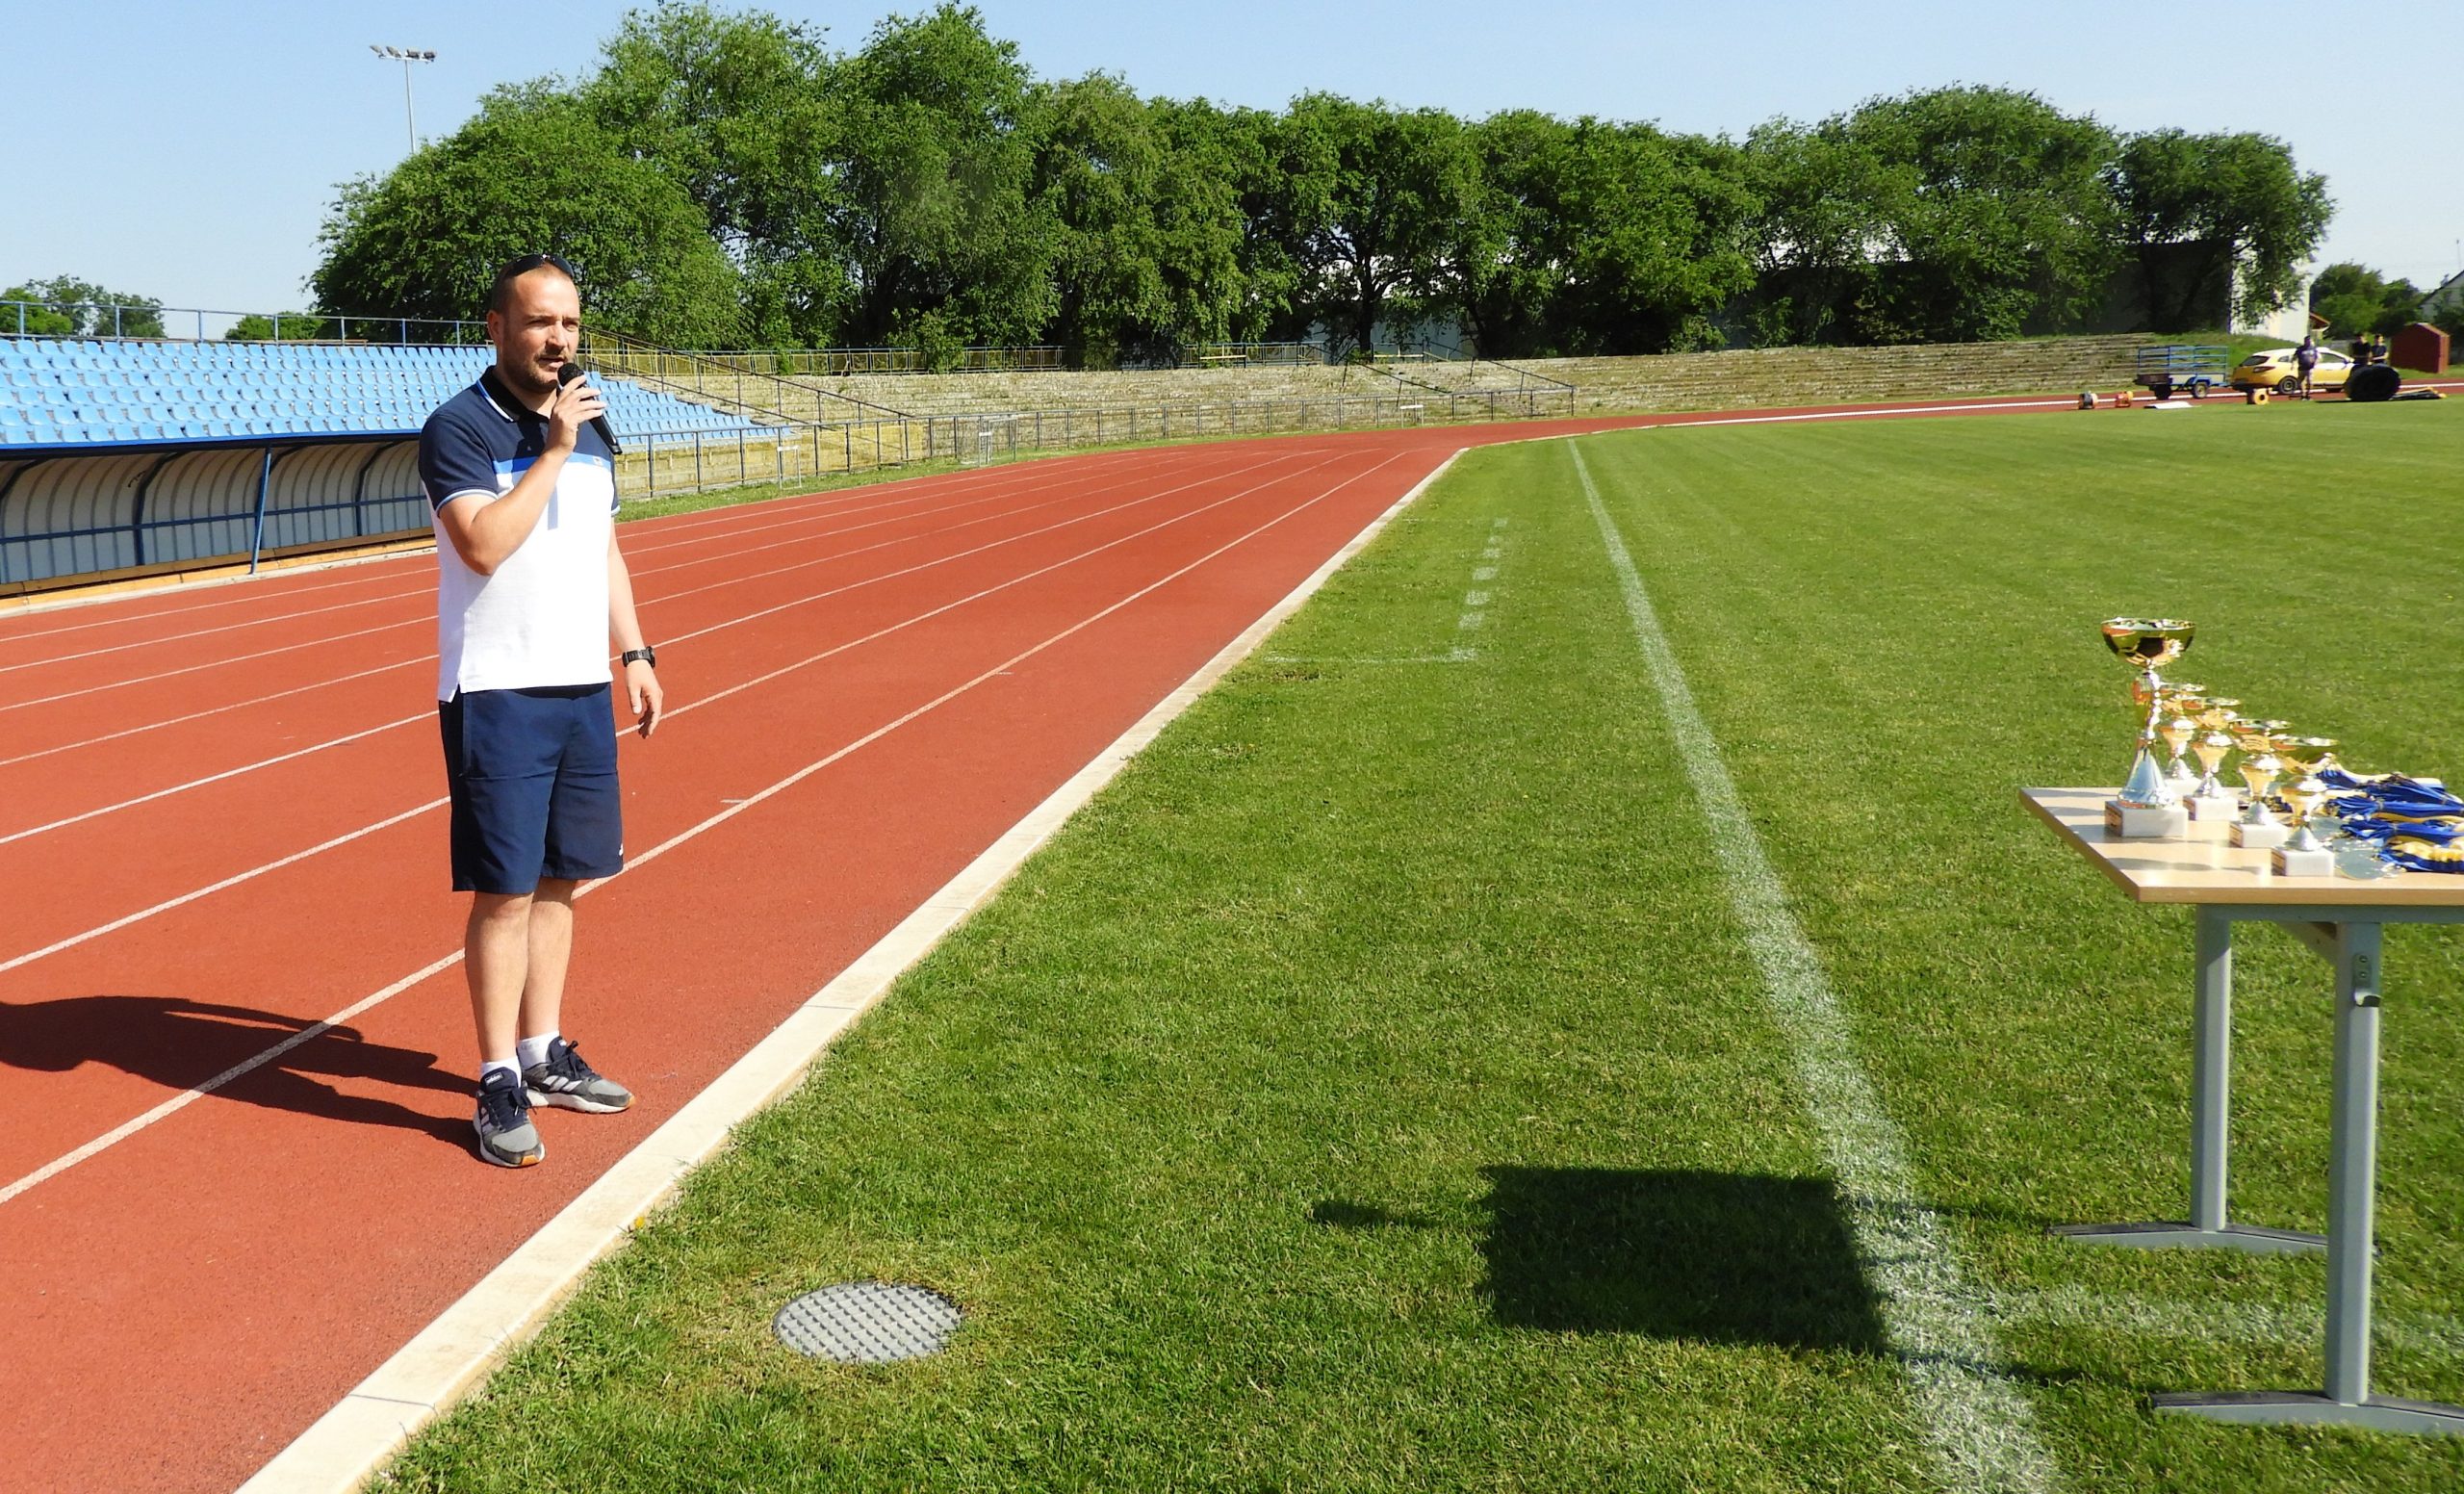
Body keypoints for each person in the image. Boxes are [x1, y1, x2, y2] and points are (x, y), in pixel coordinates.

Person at [417, 253, 664, 1167]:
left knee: (565, 880)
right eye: (538, 323)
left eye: (568, 323)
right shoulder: (460, 429)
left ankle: (543, 1049)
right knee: (507, 892)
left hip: (580, 688)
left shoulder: (593, 423)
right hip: (497, 691)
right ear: (497, 328)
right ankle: (494, 1078)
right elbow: (482, 545)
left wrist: (633, 651)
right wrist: (553, 448)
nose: (558, 339)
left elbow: (603, 548)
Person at [2295, 335, 2320, 399]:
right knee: (2301, 381)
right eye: (2307, 340)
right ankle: (2303, 394)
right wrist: (2293, 363)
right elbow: (2295, 356)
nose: (2309, 342)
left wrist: (2315, 363)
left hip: (2310, 367)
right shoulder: (2300, 349)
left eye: (2310, 340)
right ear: (2305, 341)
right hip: (2302, 367)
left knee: (2310, 381)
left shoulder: (2313, 348)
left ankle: (2308, 393)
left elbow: (2317, 357)